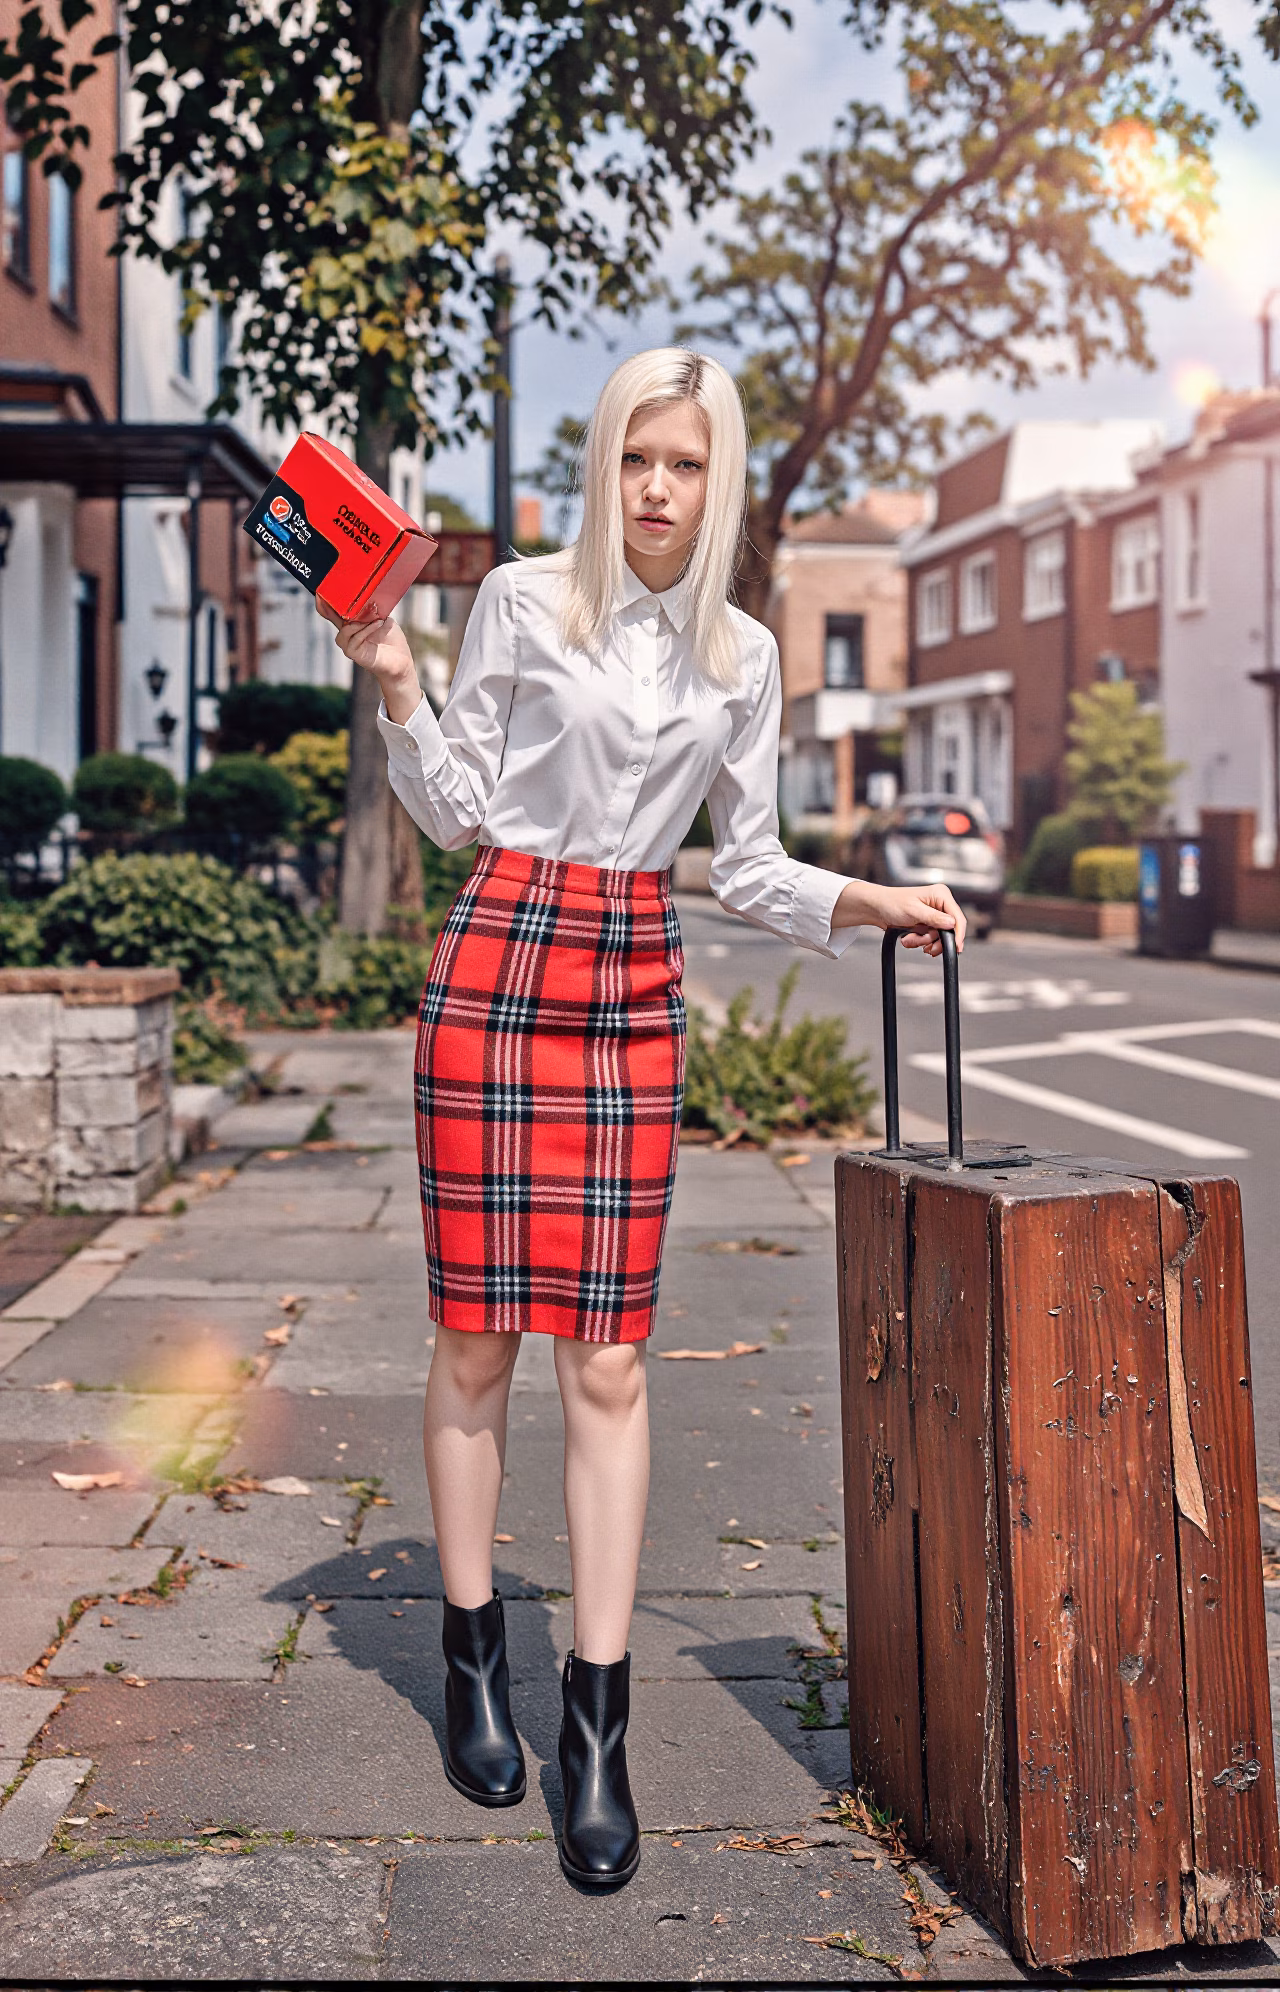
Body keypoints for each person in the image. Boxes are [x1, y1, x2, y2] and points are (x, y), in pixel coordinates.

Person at [318, 347, 965, 1891]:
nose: (659, 490)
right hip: (495, 960)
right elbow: (463, 803)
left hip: (627, 982)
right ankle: (474, 1656)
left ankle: (596, 1721)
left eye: (685, 465)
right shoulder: (524, 602)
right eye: (635, 461)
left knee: (606, 1355)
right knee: (475, 1336)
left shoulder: (745, 655)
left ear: (717, 476)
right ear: (602, 466)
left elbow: (744, 858)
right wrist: (396, 679)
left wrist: (864, 896)